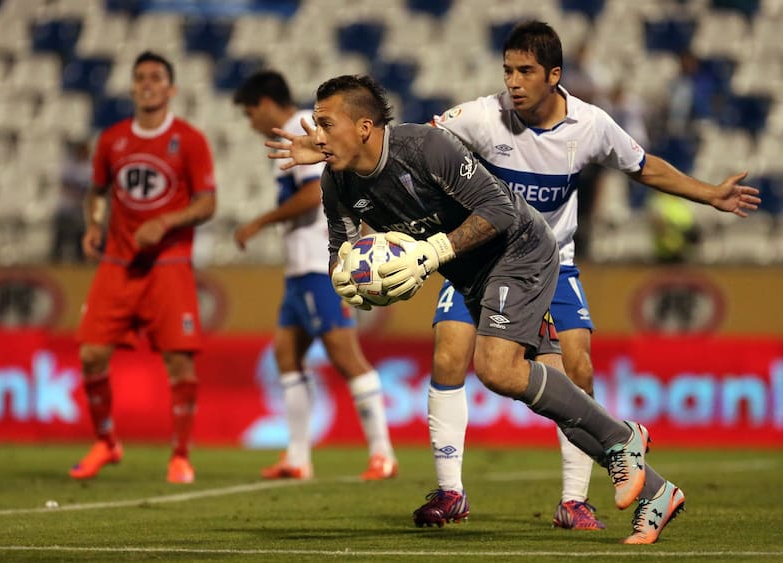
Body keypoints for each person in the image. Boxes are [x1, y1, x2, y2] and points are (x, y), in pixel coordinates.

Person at [267, 74, 698, 544]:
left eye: (327, 124)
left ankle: (623, 440)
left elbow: (499, 210)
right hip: (470, 274)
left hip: (520, 248)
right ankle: (656, 490)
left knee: (496, 368)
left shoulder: (426, 148)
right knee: (554, 390)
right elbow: (341, 249)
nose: (318, 135)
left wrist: (429, 253)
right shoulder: (337, 182)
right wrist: (350, 281)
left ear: (364, 126)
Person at [423, 20, 761, 532]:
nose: (513, 82)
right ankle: (450, 493)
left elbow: (643, 166)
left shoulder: (590, 125)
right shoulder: (479, 117)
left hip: (551, 263)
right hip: (482, 263)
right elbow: (418, 149)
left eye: (526, 72)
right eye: (508, 70)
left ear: (554, 75)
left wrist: (709, 193)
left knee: (576, 370)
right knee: (450, 350)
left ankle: (574, 501)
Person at [231, 70, 397, 480]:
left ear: (266, 103)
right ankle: (298, 457)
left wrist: (261, 221)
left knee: (345, 355)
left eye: (250, 112)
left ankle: (383, 454)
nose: (250, 122)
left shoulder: (303, 129)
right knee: (287, 353)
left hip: (318, 265)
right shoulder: (303, 127)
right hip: (298, 269)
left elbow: (311, 194)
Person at [70, 51, 217, 484]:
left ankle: (180, 455)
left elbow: (208, 203)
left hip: (168, 263)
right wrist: (93, 225)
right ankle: (106, 442)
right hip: (118, 261)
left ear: (171, 89)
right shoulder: (112, 139)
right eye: (140, 78)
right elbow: (96, 191)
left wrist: (165, 221)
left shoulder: (189, 139)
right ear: (132, 87)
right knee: (91, 354)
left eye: (156, 77)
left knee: (179, 364)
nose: (148, 84)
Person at [51, 139, 90, 263]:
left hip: (81, 211)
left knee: (80, 241)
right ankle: (55, 263)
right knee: (61, 239)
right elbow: (64, 185)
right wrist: (78, 195)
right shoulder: (69, 165)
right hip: (67, 209)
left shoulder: (90, 167)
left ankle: (80, 266)